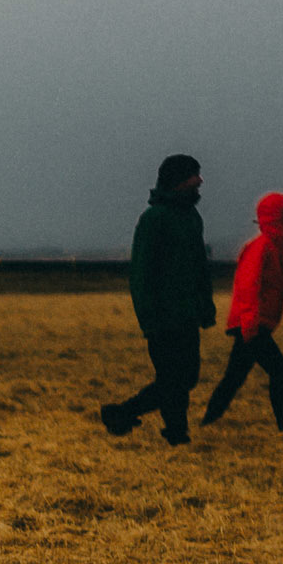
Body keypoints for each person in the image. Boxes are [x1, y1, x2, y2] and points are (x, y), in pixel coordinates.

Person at [101, 154, 214, 446]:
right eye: (193, 174)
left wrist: (205, 304)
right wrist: (149, 318)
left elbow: (199, 266)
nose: (199, 180)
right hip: (163, 317)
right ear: (178, 179)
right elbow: (141, 273)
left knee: (184, 378)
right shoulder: (154, 220)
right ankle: (174, 432)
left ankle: (125, 414)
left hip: (187, 314)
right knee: (173, 379)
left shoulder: (191, 217)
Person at [200, 193, 283, 433]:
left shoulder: (271, 248)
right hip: (252, 324)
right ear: (277, 220)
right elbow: (247, 286)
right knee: (279, 370)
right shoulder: (261, 248)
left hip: (253, 323)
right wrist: (249, 323)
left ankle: (208, 422)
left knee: (234, 377)